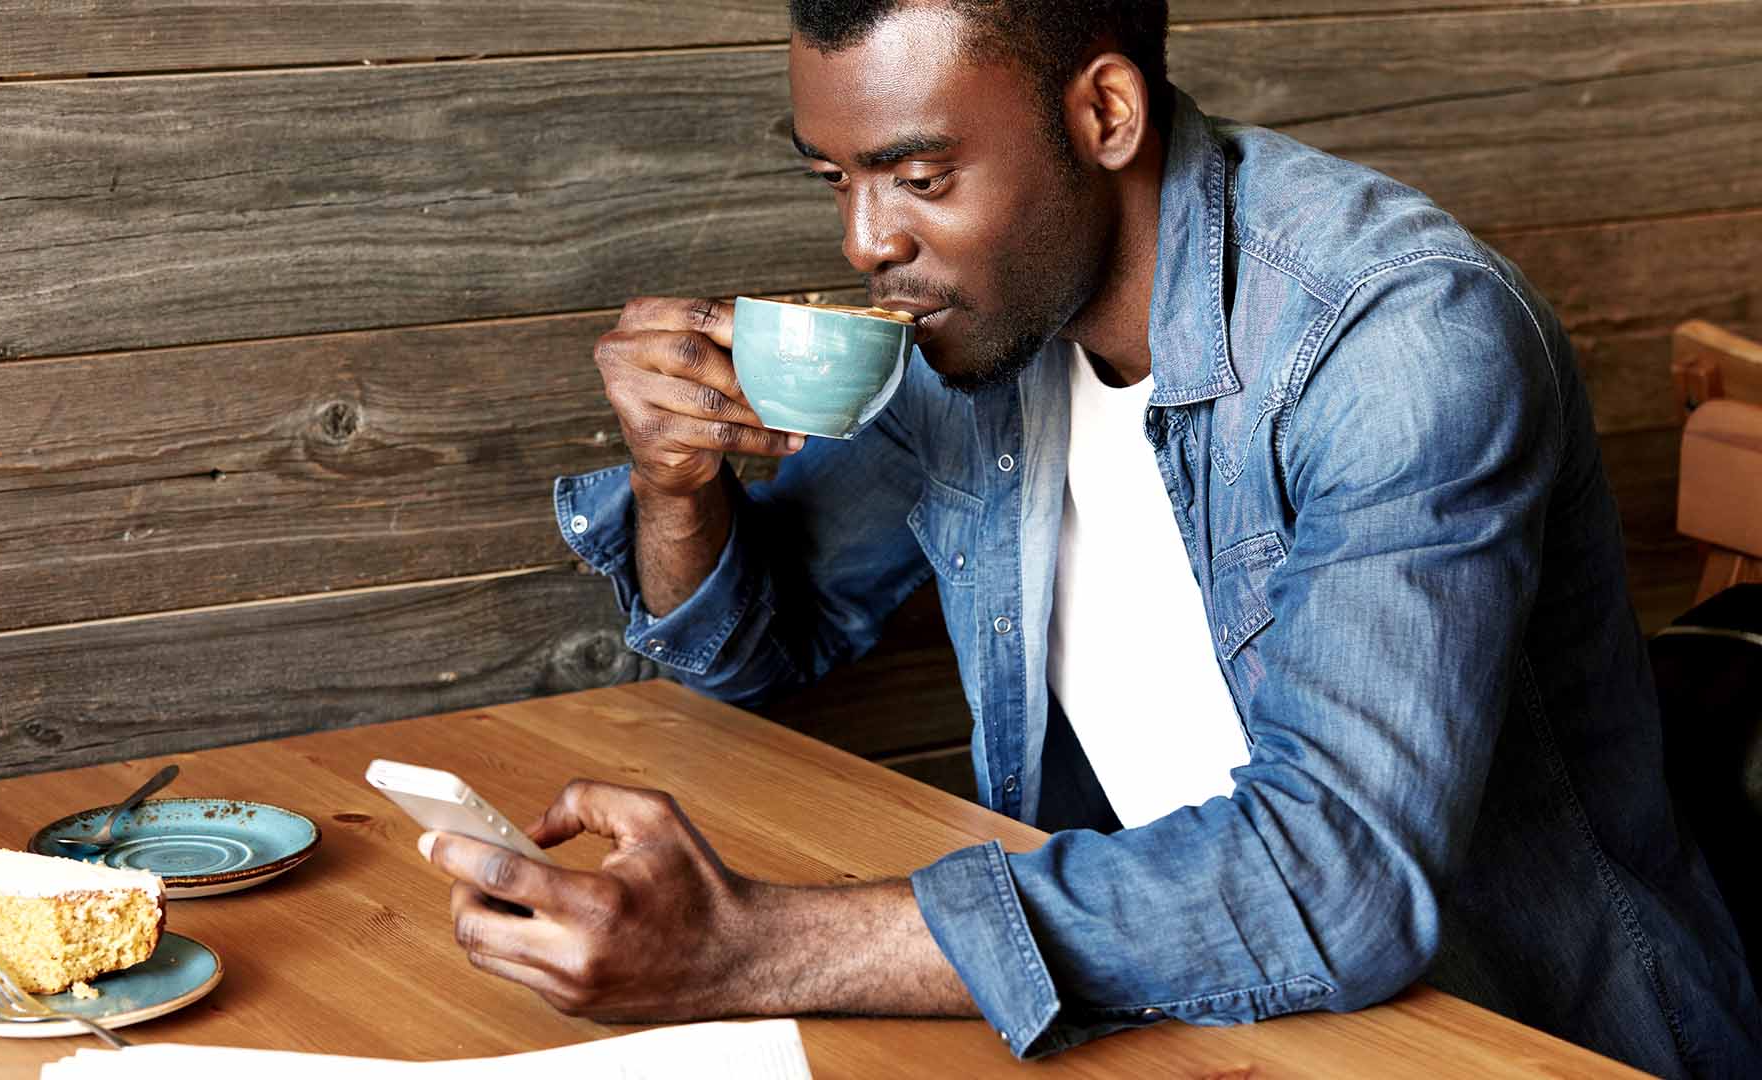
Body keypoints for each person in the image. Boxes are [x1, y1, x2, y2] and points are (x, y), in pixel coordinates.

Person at [420, 2, 1762, 1075]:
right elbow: (750, 654)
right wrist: (677, 483)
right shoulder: (980, 335)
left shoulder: (1396, 337)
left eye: (918, 176)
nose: (865, 241)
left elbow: (1339, 881)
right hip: (1181, 1014)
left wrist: (753, 948)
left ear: (1105, 114)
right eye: (835, 177)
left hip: (1510, 1035)